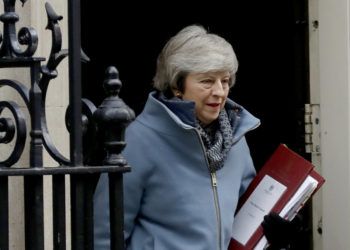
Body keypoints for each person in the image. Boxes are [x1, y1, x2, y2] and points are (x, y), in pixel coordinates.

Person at [93, 24, 302, 250]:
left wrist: (277, 235)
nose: (220, 92)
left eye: (224, 81)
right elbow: (105, 236)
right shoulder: (139, 140)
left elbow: (247, 218)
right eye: (207, 81)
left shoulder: (235, 139)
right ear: (177, 85)